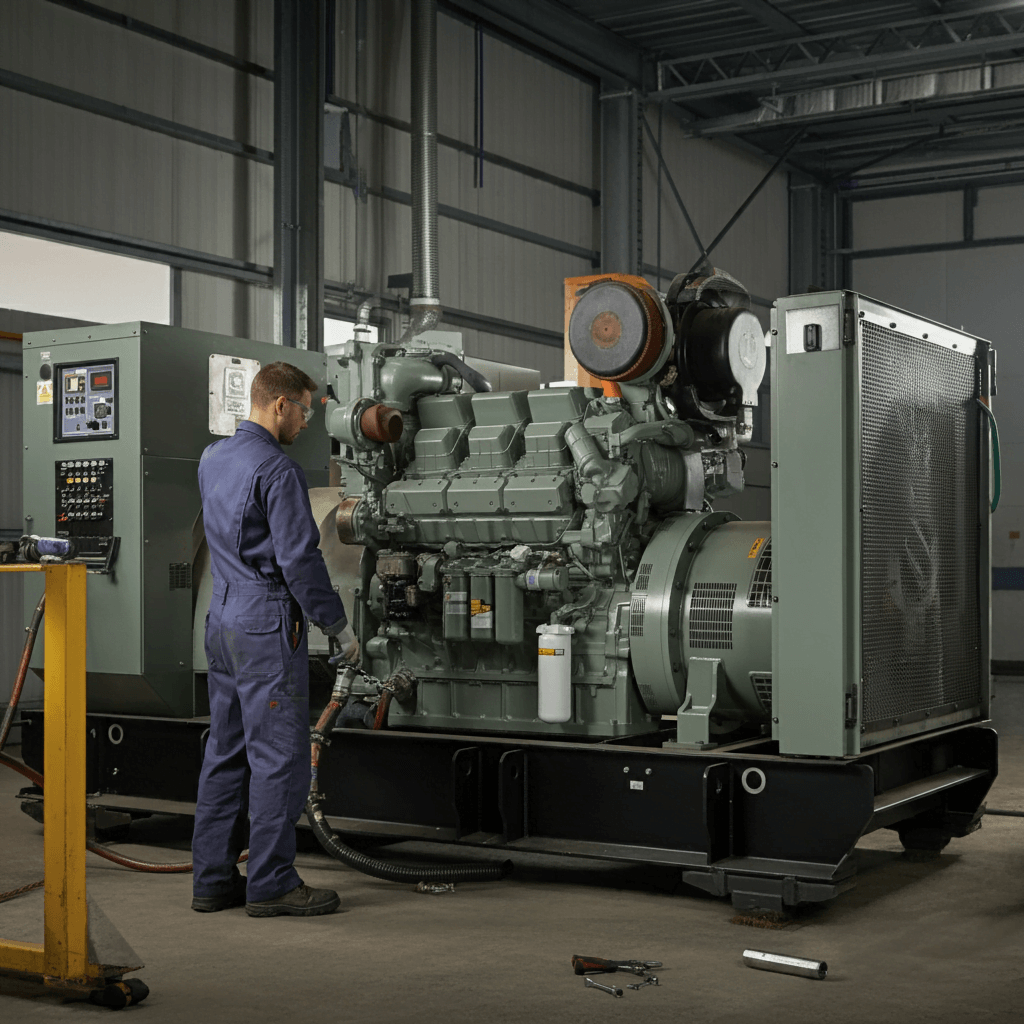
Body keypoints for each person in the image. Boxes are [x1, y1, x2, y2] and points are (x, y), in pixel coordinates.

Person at [191, 361, 348, 918]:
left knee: (224, 751)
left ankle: (211, 880)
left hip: (222, 617)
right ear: (280, 404)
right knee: (278, 757)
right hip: (264, 623)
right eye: (305, 409)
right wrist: (338, 626)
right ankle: (273, 883)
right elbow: (300, 561)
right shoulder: (278, 472)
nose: (307, 421)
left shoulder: (213, 459)